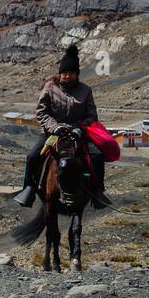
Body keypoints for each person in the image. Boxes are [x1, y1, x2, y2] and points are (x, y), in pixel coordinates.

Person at [14, 45, 109, 209]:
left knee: (97, 157)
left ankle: (97, 191)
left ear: (77, 74)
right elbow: (41, 112)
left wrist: (80, 128)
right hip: (53, 133)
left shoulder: (85, 90)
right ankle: (28, 189)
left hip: (78, 133)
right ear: (60, 73)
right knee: (32, 157)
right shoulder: (50, 88)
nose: (67, 76)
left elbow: (92, 115)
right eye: (64, 73)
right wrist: (54, 127)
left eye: (71, 73)